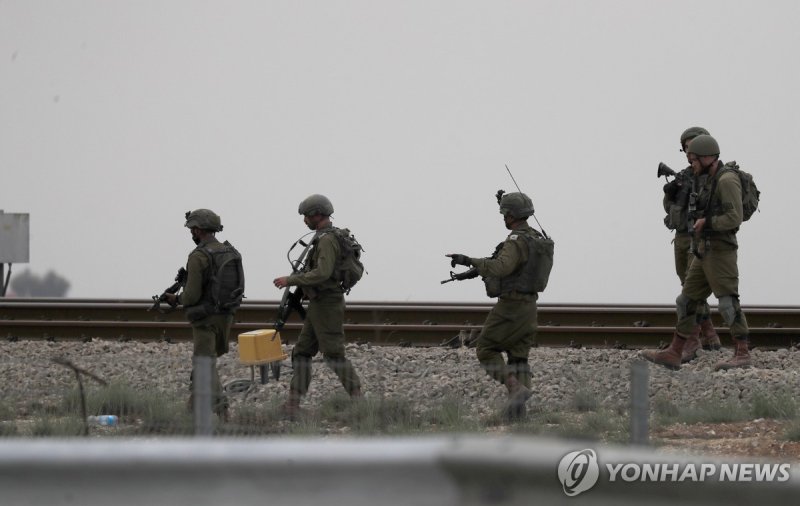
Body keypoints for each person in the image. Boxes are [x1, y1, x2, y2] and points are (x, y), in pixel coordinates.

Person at [642, 134, 752, 371]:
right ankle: (675, 351)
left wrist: (707, 222)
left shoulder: (726, 180)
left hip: (721, 251)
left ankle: (742, 352)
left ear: (706, 157)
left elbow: (735, 217)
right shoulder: (708, 179)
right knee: (686, 301)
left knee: (727, 302)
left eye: (693, 159)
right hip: (703, 250)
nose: (690, 163)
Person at [447, 192, 547, 420]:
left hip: (510, 306)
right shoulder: (536, 238)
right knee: (518, 357)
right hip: (530, 306)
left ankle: (514, 388)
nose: (503, 218)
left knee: (486, 349)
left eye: (505, 213)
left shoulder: (515, 241)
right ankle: (517, 416)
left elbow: (502, 267)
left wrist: (468, 260)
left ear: (512, 216)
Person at [273, 194, 363, 419]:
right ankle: (293, 404)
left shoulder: (326, 240)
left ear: (317, 214)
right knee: (302, 352)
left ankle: (360, 404)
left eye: (306, 215)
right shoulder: (325, 237)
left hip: (327, 304)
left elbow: (322, 273)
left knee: (333, 354)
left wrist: (290, 280)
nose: (304, 220)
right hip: (318, 304)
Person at [165, 209, 245, 420]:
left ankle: (223, 412)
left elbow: (191, 296)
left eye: (192, 229)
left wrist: (176, 299)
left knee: (204, 364)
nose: (191, 233)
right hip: (226, 316)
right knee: (205, 363)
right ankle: (191, 411)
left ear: (198, 230)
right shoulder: (231, 251)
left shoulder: (198, 256)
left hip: (205, 319)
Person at [662, 126, 721, 363]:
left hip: (700, 237)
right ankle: (709, 335)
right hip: (682, 235)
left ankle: (694, 340)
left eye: (693, 145)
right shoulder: (685, 175)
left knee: (691, 290)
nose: (689, 151)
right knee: (688, 286)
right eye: (685, 147)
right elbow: (671, 209)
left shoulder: (715, 175)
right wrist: (671, 193)